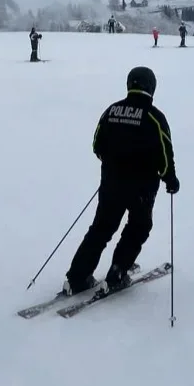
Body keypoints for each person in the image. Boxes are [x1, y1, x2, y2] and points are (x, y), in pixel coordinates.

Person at [64, 66, 180, 295]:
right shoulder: (154, 116)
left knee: (101, 228)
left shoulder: (112, 110)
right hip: (142, 187)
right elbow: (165, 153)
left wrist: (112, 164)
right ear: (151, 87)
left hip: (111, 183)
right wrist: (170, 179)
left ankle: (77, 276)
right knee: (139, 227)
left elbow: (97, 145)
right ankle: (117, 272)